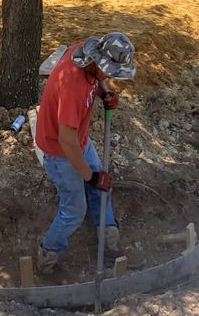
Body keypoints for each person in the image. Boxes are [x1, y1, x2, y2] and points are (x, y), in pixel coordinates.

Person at [34, 31, 136, 274]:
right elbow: (66, 140)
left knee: (102, 188)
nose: (110, 77)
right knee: (74, 210)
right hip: (60, 151)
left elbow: (97, 80)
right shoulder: (73, 87)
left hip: (80, 140)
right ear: (97, 63)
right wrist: (89, 176)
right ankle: (47, 259)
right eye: (108, 73)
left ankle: (109, 243)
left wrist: (104, 92)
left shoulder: (87, 51)